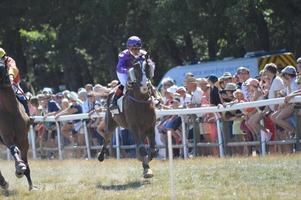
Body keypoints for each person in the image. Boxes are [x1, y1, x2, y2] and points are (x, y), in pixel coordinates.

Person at [110, 36, 155, 111]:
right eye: (132, 49)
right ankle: (114, 101)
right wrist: (127, 71)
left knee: (147, 82)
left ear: (140, 47)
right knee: (124, 84)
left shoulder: (144, 54)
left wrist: (151, 66)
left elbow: (151, 64)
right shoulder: (123, 55)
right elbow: (119, 68)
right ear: (128, 48)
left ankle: (157, 97)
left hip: (139, 72)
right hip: (124, 72)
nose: (135, 50)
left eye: (137, 48)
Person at [0, 47, 30, 116]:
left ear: (4, 56)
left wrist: (11, 77)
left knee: (22, 97)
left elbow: (13, 68)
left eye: (1, 58)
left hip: (13, 84)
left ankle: (28, 117)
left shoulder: (10, 60)